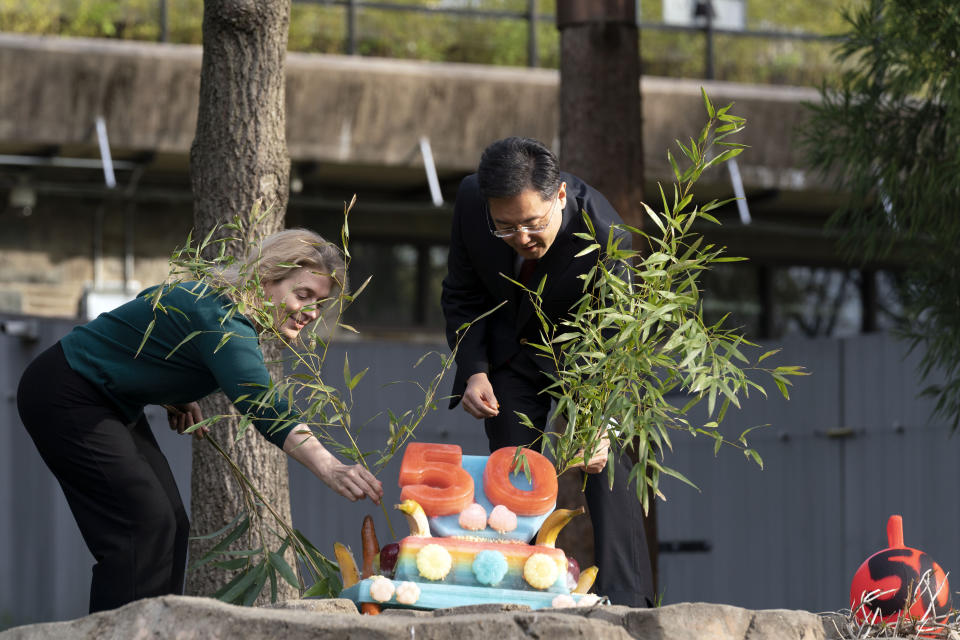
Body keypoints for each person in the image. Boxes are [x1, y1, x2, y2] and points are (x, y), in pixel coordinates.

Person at [16, 228, 383, 614]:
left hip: (107, 400)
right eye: (302, 295)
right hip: (66, 393)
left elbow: (150, 308)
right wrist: (330, 466)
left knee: (171, 527)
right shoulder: (223, 319)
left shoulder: (214, 305)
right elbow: (263, 402)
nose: (310, 312)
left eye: (319, 303)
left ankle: (157, 628)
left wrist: (175, 392)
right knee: (142, 526)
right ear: (265, 279)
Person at [441, 137, 654, 607]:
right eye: (506, 227)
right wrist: (474, 371)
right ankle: (522, 590)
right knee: (515, 473)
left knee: (609, 464)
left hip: (588, 361)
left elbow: (621, 340)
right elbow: (462, 293)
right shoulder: (471, 200)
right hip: (510, 356)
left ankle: (628, 599)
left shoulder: (605, 233)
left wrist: (601, 417)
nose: (521, 238)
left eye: (533, 225)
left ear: (559, 195)